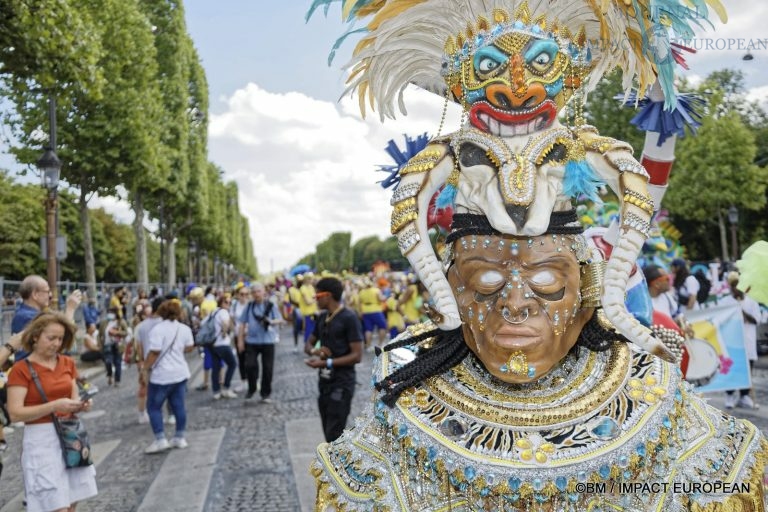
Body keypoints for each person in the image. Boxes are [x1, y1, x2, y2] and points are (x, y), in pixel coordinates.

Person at [308, 1, 766, 510]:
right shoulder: (402, 406)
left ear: (585, 287)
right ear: (455, 285)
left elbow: (639, 188)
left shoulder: (663, 402)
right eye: (484, 280)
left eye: (548, 275)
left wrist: (618, 303)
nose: (516, 302)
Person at [6, 312, 98, 511]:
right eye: (51, 338)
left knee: (72, 502)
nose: (57, 343)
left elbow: (73, 398)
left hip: (71, 435)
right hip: (41, 441)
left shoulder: (67, 363)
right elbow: (14, 413)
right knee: (56, 506)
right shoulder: (21, 369)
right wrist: (54, 406)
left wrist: (81, 405)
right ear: (35, 336)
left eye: (60, 338)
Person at [304, 277, 363, 442]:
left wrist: (327, 362)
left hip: (342, 384)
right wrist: (316, 351)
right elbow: (307, 345)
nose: (315, 299)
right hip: (324, 383)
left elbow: (357, 356)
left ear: (328, 295)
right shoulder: (322, 317)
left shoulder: (349, 318)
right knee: (327, 432)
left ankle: (335, 467)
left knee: (334, 435)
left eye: (317, 296)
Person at [140, 299, 196, 454]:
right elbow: (190, 347)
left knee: (153, 407)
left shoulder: (157, 330)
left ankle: (160, 439)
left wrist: (145, 369)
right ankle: (180, 437)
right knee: (179, 406)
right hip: (180, 372)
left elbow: (155, 351)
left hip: (161, 375)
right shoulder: (184, 329)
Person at [237, 282, 283, 402]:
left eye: (259, 291)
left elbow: (280, 319)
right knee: (250, 365)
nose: (256, 294)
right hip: (252, 341)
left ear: (264, 292)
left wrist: (272, 322)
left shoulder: (271, 305)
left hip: (268, 341)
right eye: (254, 292)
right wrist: (240, 341)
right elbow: (242, 324)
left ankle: (265, 393)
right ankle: (252, 388)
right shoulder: (249, 306)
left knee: (268, 368)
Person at [724, 272, 761, 410]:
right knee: (732, 368)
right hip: (732, 342)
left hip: (748, 341)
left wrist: (742, 311)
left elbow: (756, 320)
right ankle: (729, 395)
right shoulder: (726, 301)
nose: (736, 289)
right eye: (734, 286)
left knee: (747, 369)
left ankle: (744, 396)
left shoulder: (751, 302)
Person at [210, 294, 237, 400]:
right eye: (226, 302)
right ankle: (226, 388)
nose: (228, 304)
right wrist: (224, 332)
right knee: (232, 364)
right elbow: (226, 324)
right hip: (222, 343)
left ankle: (216, 391)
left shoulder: (214, 311)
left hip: (213, 344)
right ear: (221, 302)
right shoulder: (224, 312)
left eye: (230, 302)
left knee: (215, 368)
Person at [230, 284, 250, 392]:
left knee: (251, 360)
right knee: (241, 359)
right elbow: (231, 320)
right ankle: (243, 381)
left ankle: (253, 381)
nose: (244, 296)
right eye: (242, 294)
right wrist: (235, 332)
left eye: (247, 294)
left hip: (251, 336)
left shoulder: (251, 305)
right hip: (239, 336)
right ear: (237, 295)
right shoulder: (234, 306)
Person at [358, 279, 388, 349]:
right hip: (376, 310)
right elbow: (381, 299)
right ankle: (380, 344)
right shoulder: (376, 290)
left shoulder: (361, 292)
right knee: (382, 326)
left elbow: (359, 303)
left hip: (366, 311)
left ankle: (368, 346)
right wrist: (385, 297)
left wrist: (360, 312)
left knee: (368, 329)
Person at [101, 307, 128, 387]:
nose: (110, 315)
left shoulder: (121, 322)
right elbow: (100, 334)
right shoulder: (104, 322)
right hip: (107, 344)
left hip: (118, 345)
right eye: (109, 312)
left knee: (118, 363)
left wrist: (117, 332)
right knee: (108, 361)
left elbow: (126, 332)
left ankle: (117, 380)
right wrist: (100, 344)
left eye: (111, 313)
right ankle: (109, 374)